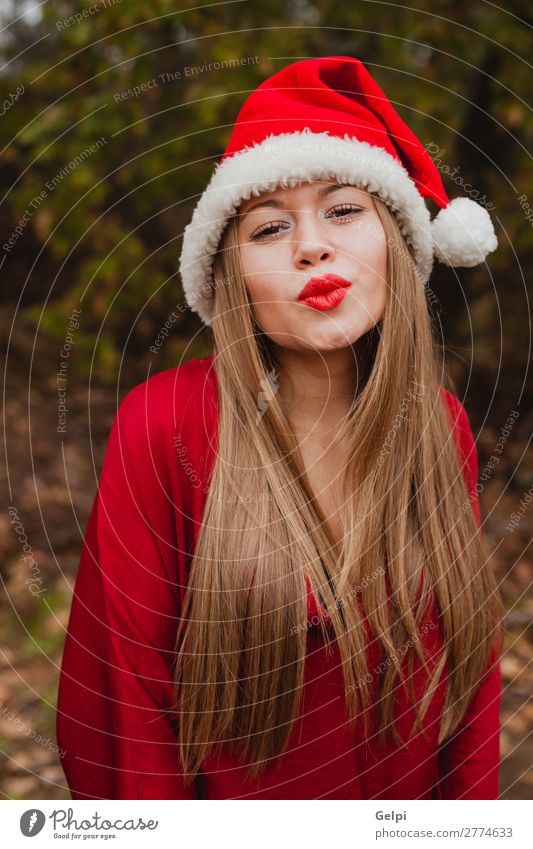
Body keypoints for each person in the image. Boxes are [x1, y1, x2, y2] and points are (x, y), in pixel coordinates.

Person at [56, 55, 503, 800]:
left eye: (343, 210)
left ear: (395, 241)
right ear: (232, 277)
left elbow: (470, 692)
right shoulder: (163, 424)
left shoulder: (438, 423)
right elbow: (122, 710)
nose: (310, 247)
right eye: (268, 228)